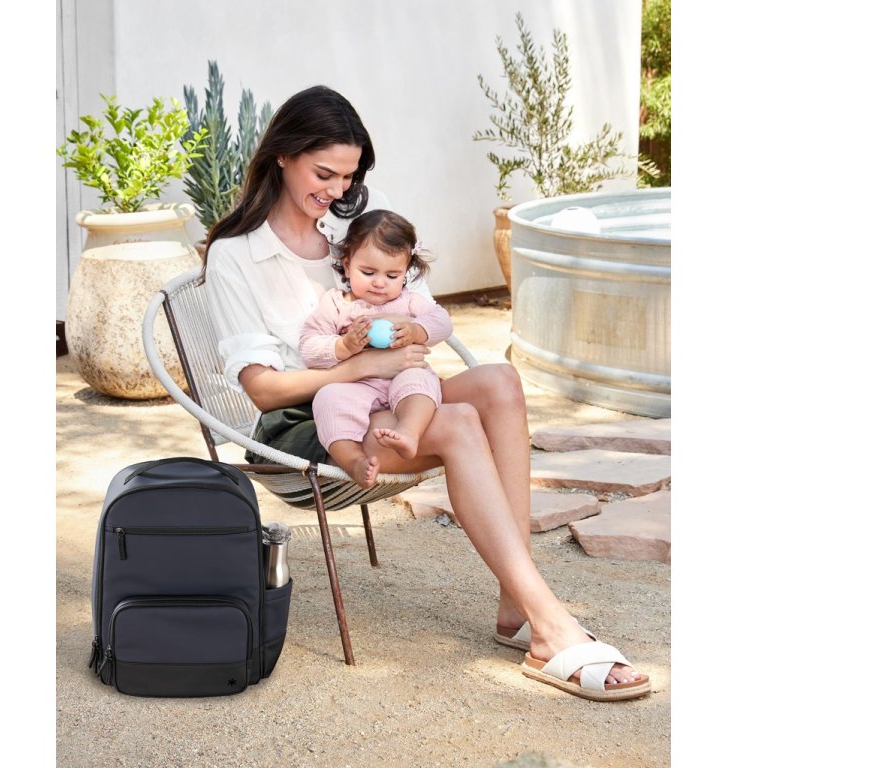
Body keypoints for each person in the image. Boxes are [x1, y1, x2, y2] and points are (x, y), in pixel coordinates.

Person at [202, 85, 650, 701]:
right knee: (459, 420)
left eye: (348, 176)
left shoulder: (358, 223)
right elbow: (262, 391)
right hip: (309, 424)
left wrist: (406, 337)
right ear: (282, 155)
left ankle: (515, 604)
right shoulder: (237, 255)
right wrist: (361, 366)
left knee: (499, 381)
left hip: (390, 397)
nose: (336, 191)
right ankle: (551, 625)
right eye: (323, 174)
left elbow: (417, 308)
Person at [299, 209, 451, 489]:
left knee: (419, 380)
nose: (379, 283)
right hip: (358, 385)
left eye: (392, 275)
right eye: (368, 272)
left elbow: (443, 321)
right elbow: (309, 347)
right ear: (347, 265)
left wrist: (417, 331)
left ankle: (408, 432)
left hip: (402, 377)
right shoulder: (336, 305)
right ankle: (354, 460)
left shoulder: (408, 302)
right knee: (328, 397)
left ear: (405, 273)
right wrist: (343, 345)